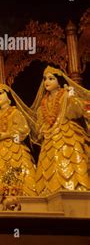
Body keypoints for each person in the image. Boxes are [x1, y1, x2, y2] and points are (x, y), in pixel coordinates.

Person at [31, 66, 89, 194]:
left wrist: (71, 98)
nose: (47, 81)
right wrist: (44, 129)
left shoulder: (66, 94)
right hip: (49, 139)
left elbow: (76, 113)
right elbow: (41, 124)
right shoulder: (44, 103)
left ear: (59, 81)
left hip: (67, 135)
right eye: (45, 79)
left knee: (71, 162)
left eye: (51, 78)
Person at [0, 83, 37, 196]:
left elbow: (23, 133)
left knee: (17, 175)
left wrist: (6, 135)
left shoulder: (15, 112)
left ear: (9, 96)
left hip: (14, 149)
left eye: (1, 93)